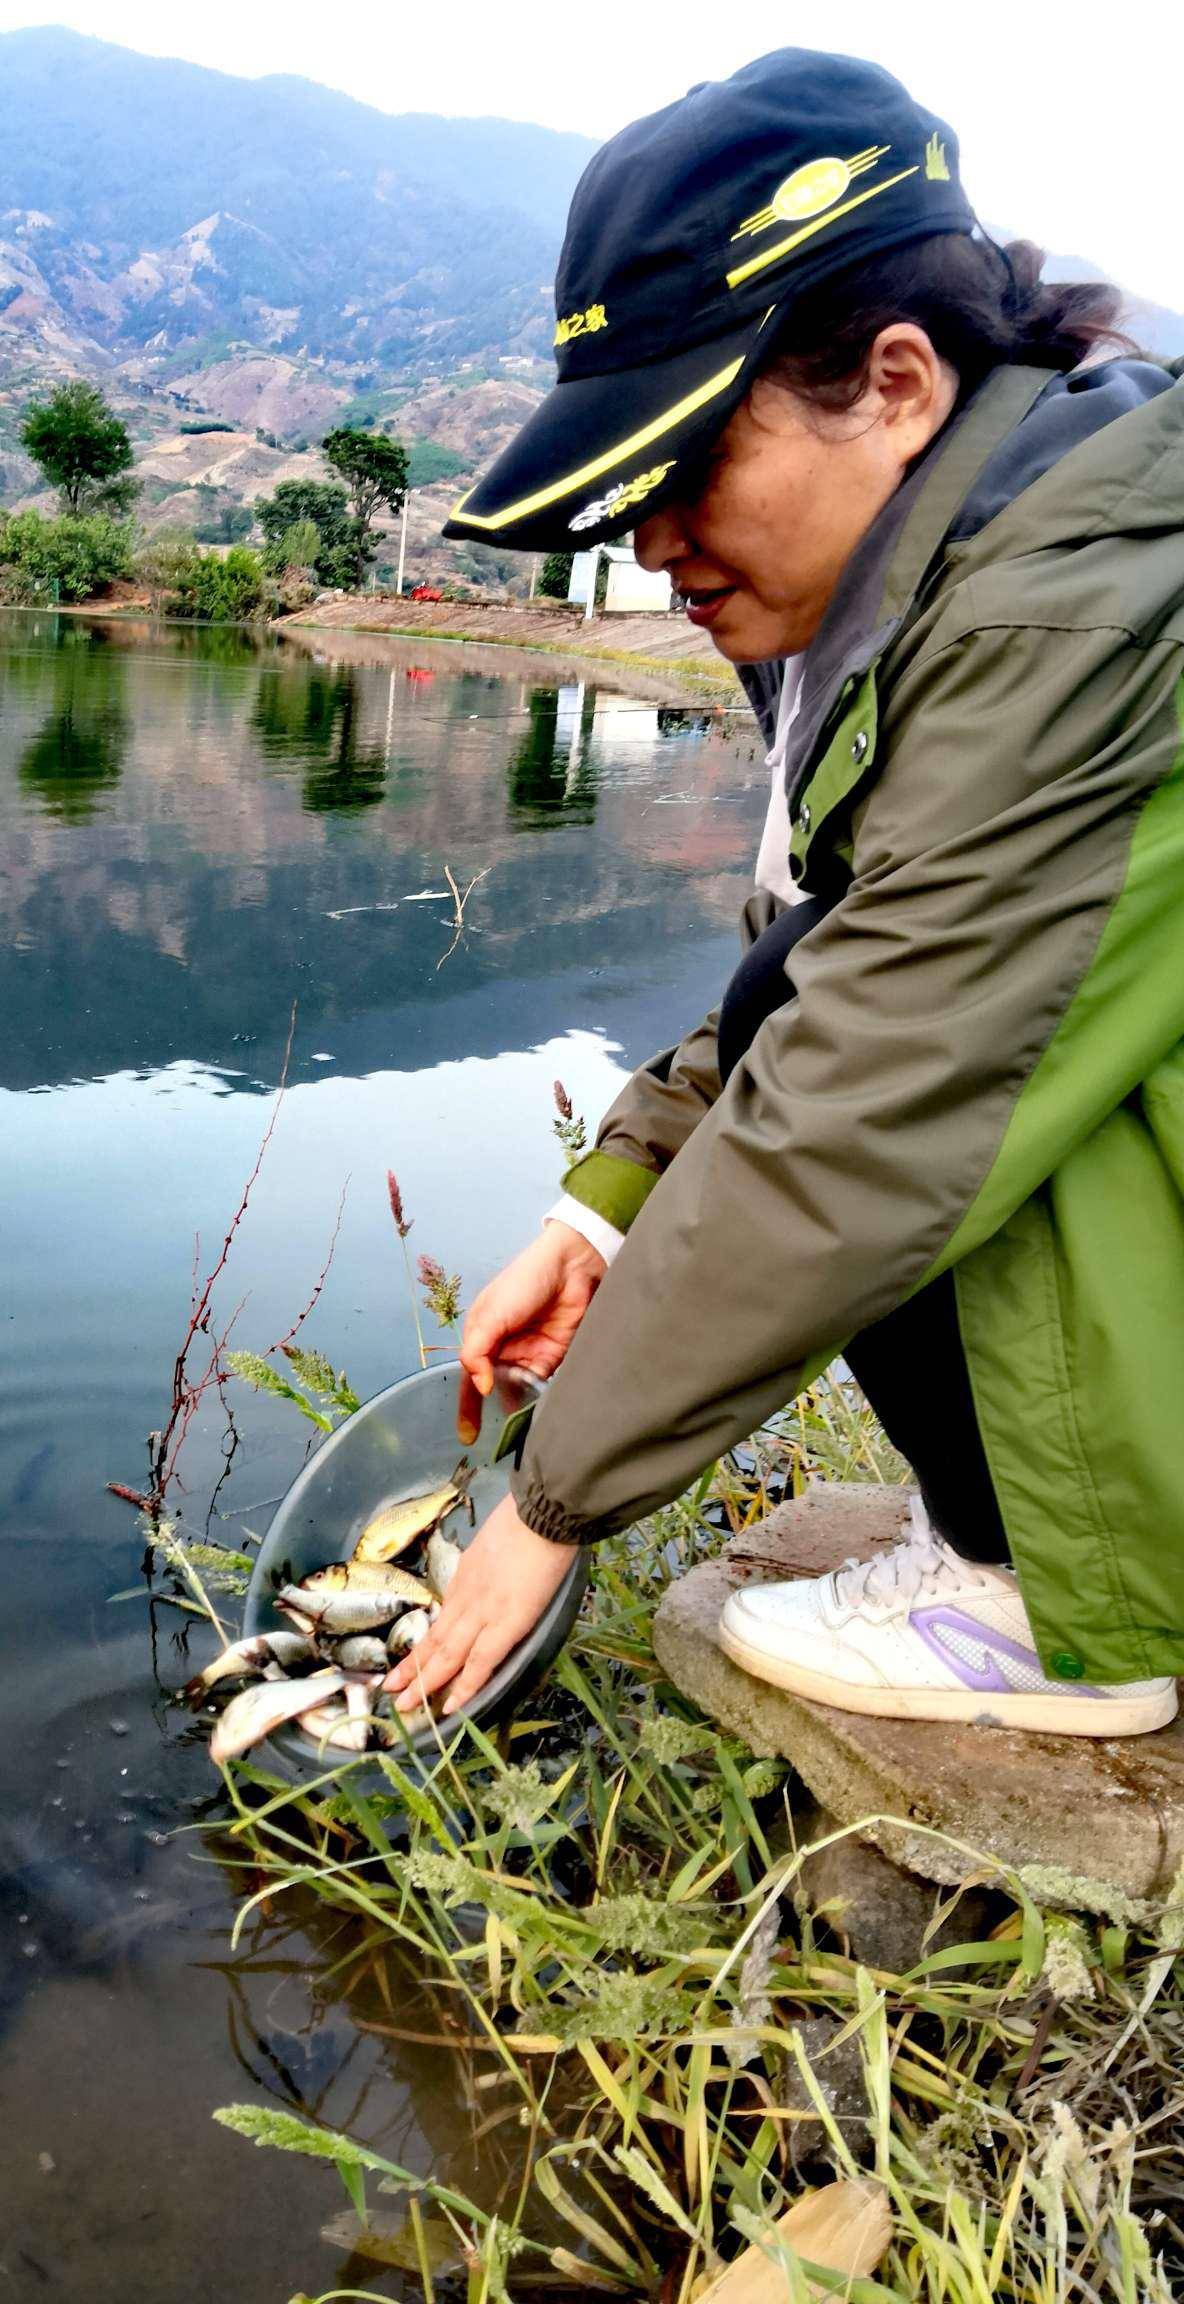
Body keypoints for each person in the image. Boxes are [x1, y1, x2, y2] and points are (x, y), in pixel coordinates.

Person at [385, 47, 1184, 1738]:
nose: (650, 537)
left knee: (940, 1084)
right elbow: (815, 984)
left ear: (895, 384)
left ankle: (1065, 1616)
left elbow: (876, 1091)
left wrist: (550, 1506)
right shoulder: (956, 571)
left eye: (684, 467)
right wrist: (603, 1203)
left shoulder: (1073, 613)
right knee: (805, 995)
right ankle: (1021, 1537)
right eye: (627, 488)